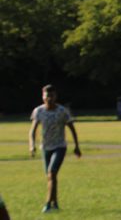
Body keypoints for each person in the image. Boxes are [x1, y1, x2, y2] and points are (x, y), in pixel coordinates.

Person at [29, 85, 82, 214]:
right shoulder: (39, 111)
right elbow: (33, 130)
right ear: (43, 97)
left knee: (51, 173)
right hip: (45, 147)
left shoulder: (62, 111)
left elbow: (72, 128)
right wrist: (32, 145)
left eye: (52, 96)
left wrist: (76, 146)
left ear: (55, 96)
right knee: (50, 176)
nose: (49, 99)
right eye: (47, 96)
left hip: (60, 146)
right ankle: (55, 203)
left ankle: (47, 204)